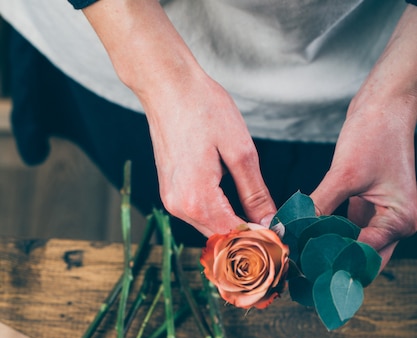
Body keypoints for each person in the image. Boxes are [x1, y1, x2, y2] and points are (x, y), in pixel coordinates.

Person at [1, 0, 417, 266]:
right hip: (124, 30)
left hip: (382, 46)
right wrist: (160, 77)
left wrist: (398, 94)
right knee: (187, 215)